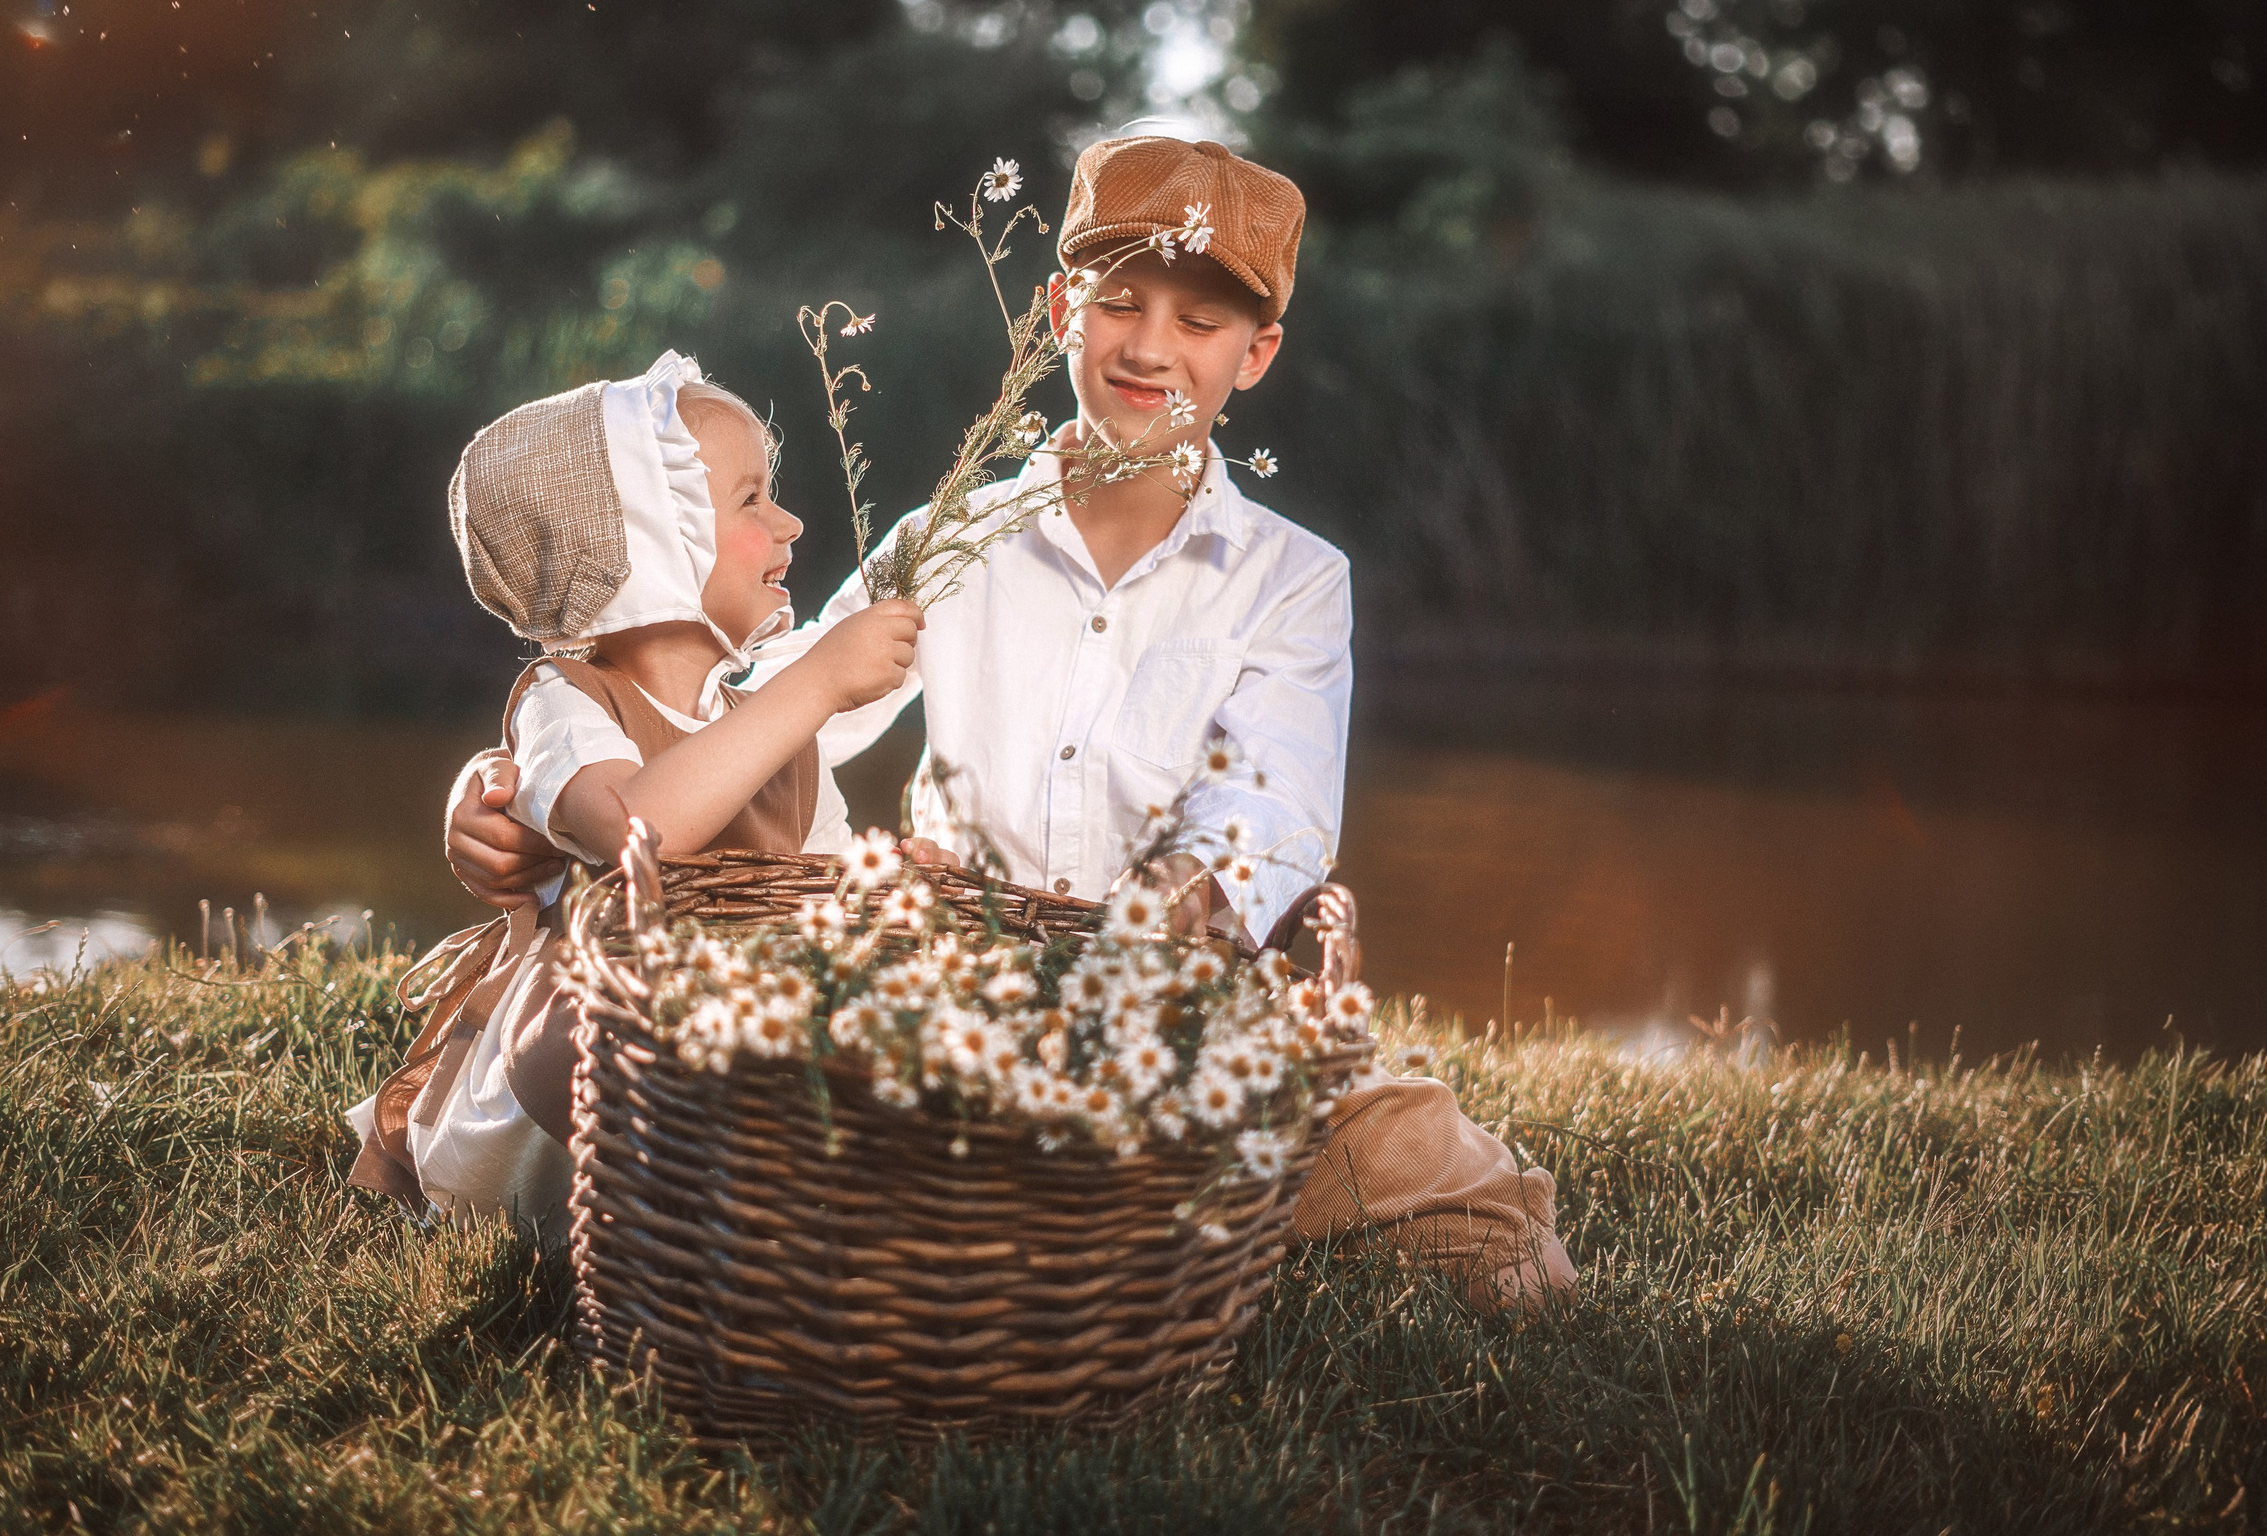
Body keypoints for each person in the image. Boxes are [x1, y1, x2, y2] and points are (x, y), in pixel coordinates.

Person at [444, 138, 1577, 1305]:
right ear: (1054, 311)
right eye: (1118, 302)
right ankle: (1053, 1232)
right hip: (943, 989)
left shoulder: (1290, 578)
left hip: (1164, 1006)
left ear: (1257, 354)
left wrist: (1129, 975)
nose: (1147, 346)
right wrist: (517, 776)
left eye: (1200, 322)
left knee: (1503, 1261)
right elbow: (759, 709)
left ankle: (1127, 1205)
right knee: (855, 1159)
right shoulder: (953, 538)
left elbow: (1271, 814)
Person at [347, 351, 921, 1223]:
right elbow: (634, 830)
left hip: (739, 1027)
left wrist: (899, 885)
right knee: (619, 1046)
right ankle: (613, 1223)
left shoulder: (774, 725)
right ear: (651, 543)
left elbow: (829, 890)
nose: (791, 523)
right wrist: (816, 686)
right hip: (590, 1047)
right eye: (751, 501)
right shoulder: (566, 702)